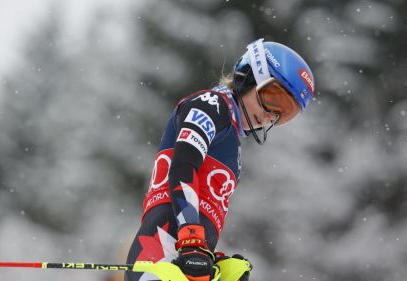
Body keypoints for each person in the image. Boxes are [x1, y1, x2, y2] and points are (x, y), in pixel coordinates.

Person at [125, 38, 315, 281]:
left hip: (178, 255)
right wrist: (192, 237)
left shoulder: (232, 142)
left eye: (284, 113)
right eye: (272, 98)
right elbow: (183, 165)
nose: (271, 115)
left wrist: (211, 258)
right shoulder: (211, 104)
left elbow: (201, 209)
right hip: (158, 253)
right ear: (248, 76)